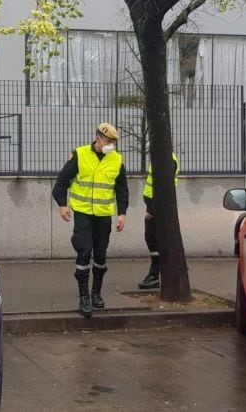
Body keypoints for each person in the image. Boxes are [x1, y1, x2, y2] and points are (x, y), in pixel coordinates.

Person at [52, 122, 129, 317]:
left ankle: (96, 294)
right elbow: (61, 182)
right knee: (84, 252)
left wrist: (122, 213)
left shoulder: (116, 160)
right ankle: (84, 296)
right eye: (109, 141)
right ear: (98, 138)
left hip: (103, 215)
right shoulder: (80, 154)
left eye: (114, 142)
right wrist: (62, 205)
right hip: (83, 213)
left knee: (101, 257)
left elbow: (122, 189)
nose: (111, 145)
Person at [138, 152, 179, 290]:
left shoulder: (166, 159)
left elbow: (164, 186)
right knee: (154, 239)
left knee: (153, 239)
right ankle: (158, 274)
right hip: (156, 204)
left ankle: (155, 275)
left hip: (158, 205)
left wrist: (152, 208)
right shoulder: (160, 157)